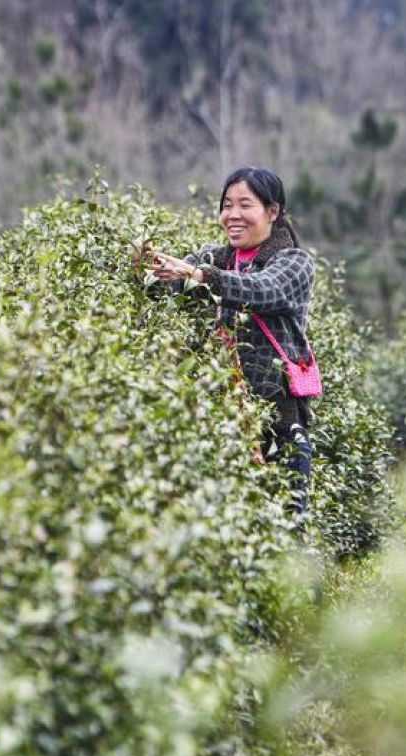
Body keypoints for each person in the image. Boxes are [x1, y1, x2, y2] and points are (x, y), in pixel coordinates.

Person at [151, 166, 318, 515]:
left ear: (273, 212)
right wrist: (152, 269)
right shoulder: (215, 257)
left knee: (284, 520)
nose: (233, 215)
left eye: (246, 204)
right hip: (221, 412)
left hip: (276, 413)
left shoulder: (294, 263)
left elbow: (261, 290)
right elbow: (170, 286)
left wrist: (199, 276)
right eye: (227, 205)